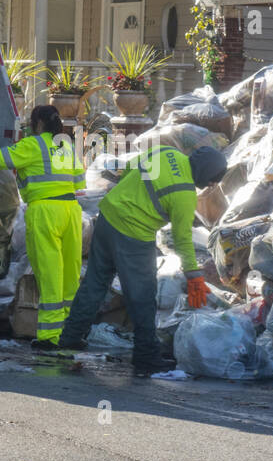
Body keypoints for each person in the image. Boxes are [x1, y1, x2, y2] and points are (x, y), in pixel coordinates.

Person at [58, 145, 227, 375]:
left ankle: (70, 337)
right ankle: (146, 356)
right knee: (143, 297)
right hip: (134, 235)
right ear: (206, 174)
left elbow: (128, 168)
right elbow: (182, 239)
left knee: (95, 282)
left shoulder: (165, 152)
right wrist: (193, 275)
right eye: (211, 181)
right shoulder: (184, 193)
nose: (210, 186)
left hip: (107, 217)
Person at [0, 105, 85, 350]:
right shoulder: (66, 144)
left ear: (38, 123)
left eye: (31, 121)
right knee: (71, 276)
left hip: (45, 212)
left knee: (50, 273)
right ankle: (73, 334)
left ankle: (50, 338)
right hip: (71, 211)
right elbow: (80, 179)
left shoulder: (33, 145)